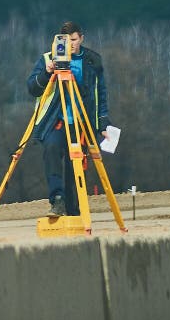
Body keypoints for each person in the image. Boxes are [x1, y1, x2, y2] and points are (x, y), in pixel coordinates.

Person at [27, 21, 111, 217]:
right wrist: (47, 72)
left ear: (81, 37)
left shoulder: (92, 61)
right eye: (66, 41)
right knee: (52, 149)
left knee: (75, 169)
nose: (71, 45)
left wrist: (103, 123)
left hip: (82, 123)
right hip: (57, 121)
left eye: (74, 40)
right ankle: (57, 200)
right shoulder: (49, 59)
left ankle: (74, 212)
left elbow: (101, 94)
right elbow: (32, 88)